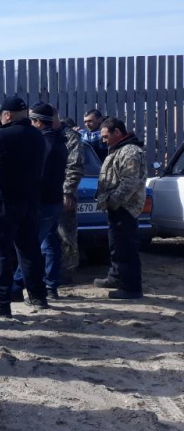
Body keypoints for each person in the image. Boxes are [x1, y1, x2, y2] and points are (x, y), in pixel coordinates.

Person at [0, 97, 49, 317]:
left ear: (7, 115)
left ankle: (0, 300)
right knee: (30, 249)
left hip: (2, 199)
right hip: (30, 200)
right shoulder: (37, 136)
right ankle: (38, 295)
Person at [13, 104, 68, 300]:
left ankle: (17, 285)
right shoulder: (58, 141)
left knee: (30, 247)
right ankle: (50, 285)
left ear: (38, 122)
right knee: (49, 244)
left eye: (32, 121)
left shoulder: (44, 144)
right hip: (53, 200)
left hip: (42, 202)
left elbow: (39, 177)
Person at [94, 118, 146, 300]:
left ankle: (131, 288)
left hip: (126, 207)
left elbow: (129, 182)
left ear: (117, 132)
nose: (103, 140)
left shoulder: (130, 151)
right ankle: (116, 277)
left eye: (105, 136)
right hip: (117, 207)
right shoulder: (119, 149)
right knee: (116, 245)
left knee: (126, 248)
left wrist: (114, 201)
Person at [58, 116, 85, 276]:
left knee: (65, 235)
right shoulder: (45, 135)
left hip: (64, 192)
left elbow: (75, 167)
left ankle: (66, 271)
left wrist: (67, 191)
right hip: (46, 193)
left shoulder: (70, 137)